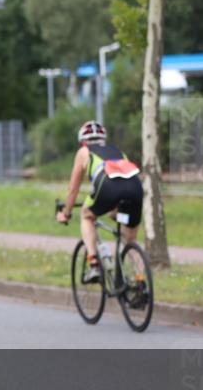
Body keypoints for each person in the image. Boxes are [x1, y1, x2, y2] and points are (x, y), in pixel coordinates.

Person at [56, 121, 143, 283]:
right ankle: (141, 282)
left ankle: (93, 263)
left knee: (87, 216)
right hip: (136, 188)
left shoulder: (84, 152)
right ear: (103, 140)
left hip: (108, 186)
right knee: (130, 240)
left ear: (83, 141)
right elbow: (123, 179)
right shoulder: (118, 151)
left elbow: (73, 189)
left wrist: (66, 213)